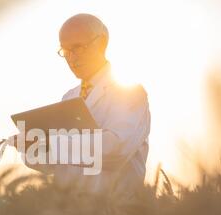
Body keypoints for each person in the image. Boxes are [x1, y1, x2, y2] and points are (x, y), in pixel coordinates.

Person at [12, 13, 150, 195]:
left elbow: (116, 149)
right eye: (65, 50)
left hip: (116, 212)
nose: (71, 57)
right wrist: (31, 147)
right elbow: (57, 164)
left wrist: (51, 143)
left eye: (78, 47)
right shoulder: (69, 97)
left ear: (101, 43)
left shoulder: (130, 92)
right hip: (71, 212)